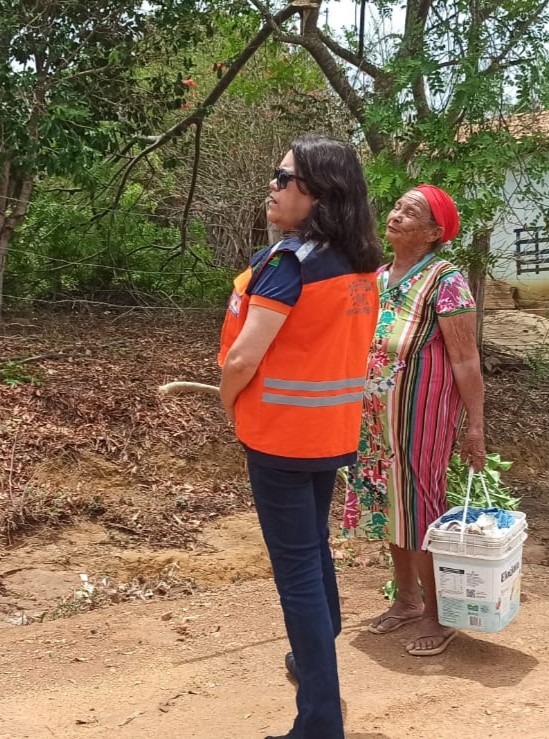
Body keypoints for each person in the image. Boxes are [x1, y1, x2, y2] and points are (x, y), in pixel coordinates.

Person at [218, 134, 381, 739]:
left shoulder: (291, 265)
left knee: (297, 576)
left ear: (319, 193)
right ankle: (316, 648)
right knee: (311, 551)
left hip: (281, 438)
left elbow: (242, 360)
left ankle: (318, 720)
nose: (273, 185)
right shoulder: (359, 266)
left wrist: (230, 405)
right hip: (328, 435)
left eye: (284, 178)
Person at [343, 184, 486, 657]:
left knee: (421, 508)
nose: (398, 215)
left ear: (433, 232)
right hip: (373, 418)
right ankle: (406, 598)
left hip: (420, 418)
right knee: (388, 503)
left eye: (412, 212)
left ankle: (439, 613)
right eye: (398, 207)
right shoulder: (378, 277)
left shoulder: (447, 280)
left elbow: (466, 360)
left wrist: (474, 426)